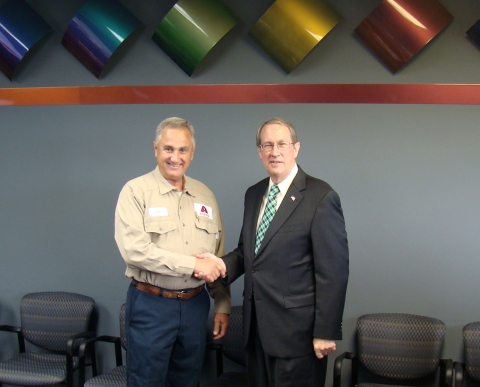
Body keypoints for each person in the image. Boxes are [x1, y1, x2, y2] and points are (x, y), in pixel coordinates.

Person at [197, 117, 349, 387]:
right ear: (259, 151)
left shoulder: (320, 196)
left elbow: (333, 272)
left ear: (296, 148)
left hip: (298, 337)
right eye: (267, 145)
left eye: (282, 144)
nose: (274, 151)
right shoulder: (254, 194)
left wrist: (325, 332)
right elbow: (248, 254)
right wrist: (217, 266)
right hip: (256, 332)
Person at [114, 117, 230, 387]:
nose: (175, 157)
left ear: (192, 153)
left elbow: (217, 256)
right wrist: (191, 265)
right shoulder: (135, 191)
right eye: (168, 149)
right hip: (152, 305)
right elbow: (134, 251)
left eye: (182, 150)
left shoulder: (205, 195)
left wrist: (222, 304)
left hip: (194, 305)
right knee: (146, 381)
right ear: (155, 149)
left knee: (187, 381)